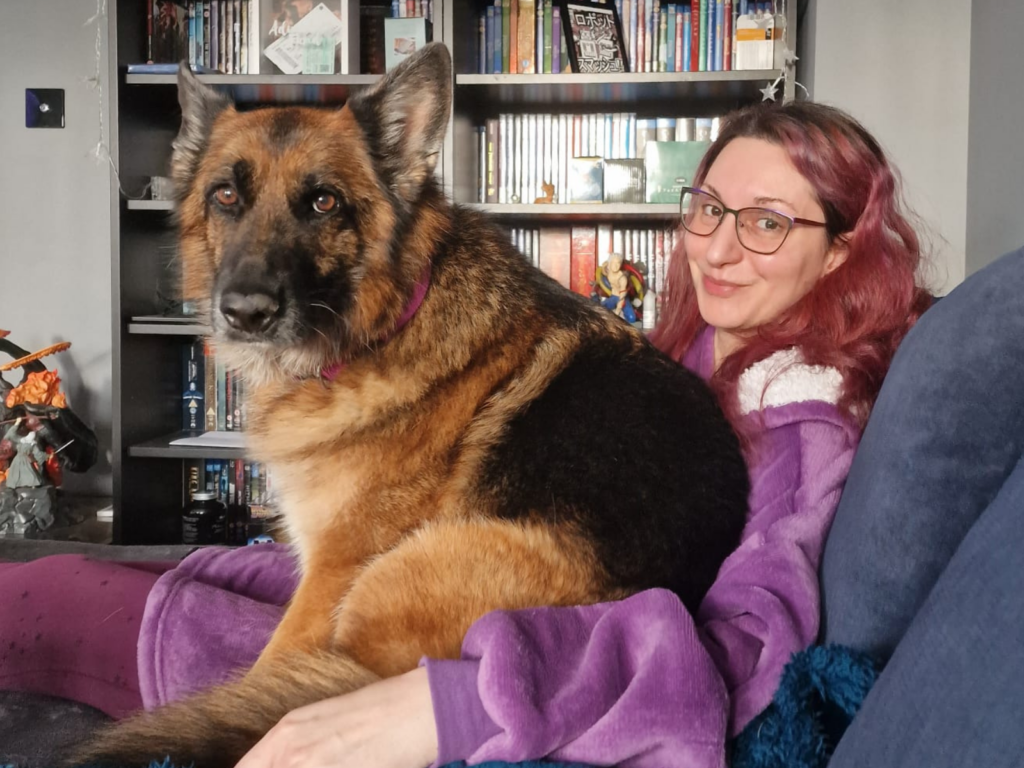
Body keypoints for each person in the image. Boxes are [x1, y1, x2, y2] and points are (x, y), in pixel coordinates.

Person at [10, 98, 1009, 768]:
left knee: (43, 600)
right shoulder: (692, 356)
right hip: (470, 607)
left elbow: (749, 653)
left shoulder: (805, 421)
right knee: (63, 584)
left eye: (766, 223)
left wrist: (445, 706)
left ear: (842, 254)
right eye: (708, 208)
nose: (716, 246)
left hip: (488, 663)